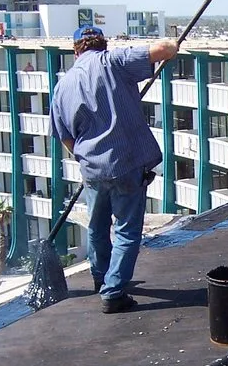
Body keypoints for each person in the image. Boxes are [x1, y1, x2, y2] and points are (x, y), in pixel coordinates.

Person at [50, 26, 178, 313]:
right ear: (103, 45)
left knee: (96, 228)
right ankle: (113, 290)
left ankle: (102, 277)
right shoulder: (115, 61)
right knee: (127, 231)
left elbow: (65, 136)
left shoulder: (63, 85)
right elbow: (165, 49)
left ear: (75, 50)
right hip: (126, 164)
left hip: (92, 170)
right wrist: (172, 45)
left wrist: (85, 157)